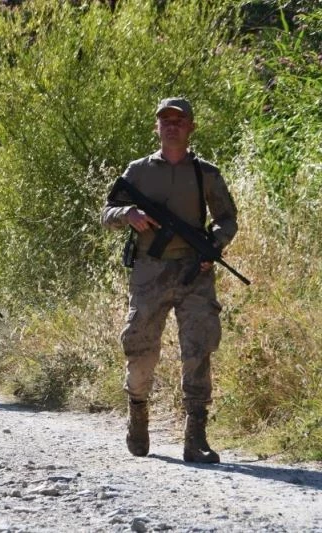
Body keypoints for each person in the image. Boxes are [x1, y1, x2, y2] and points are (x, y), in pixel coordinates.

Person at [101, 97, 239, 463]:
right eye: (166, 120)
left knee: (199, 348)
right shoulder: (138, 170)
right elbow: (107, 212)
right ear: (157, 127)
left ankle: (196, 437)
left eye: (180, 121)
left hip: (195, 271)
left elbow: (227, 218)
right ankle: (138, 414)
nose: (172, 126)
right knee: (141, 346)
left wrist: (214, 244)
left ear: (191, 126)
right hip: (150, 270)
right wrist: (127, 213)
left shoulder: (205, 173)